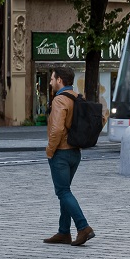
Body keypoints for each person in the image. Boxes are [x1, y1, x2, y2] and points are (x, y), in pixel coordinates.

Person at [44, 69, 93, 246]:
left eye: (52, 79)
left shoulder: (59, 99)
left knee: (63, 192)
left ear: (59, 80)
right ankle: (64, 232)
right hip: (75, 152)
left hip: (61, 153)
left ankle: (83, 227)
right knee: (66, 191)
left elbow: (57, 129)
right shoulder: (78, 97)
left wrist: (50, 150)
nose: (50, 82)